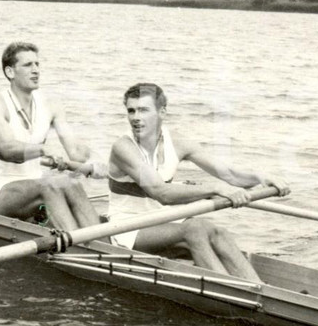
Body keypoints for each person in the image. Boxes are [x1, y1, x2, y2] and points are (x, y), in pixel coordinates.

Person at [107, 83, 290, 281]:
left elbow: (229, 175)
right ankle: (231, 291)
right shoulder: (123, 148)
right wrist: (215, 189)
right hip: (128, 227)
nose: (136, 118)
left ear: (162, 112)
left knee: (217, 232)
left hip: (165, 220)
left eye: (143, 110)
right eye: (131, 111)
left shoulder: (177, 142)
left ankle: (257, 287)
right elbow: (162, 193)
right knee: (195, 228)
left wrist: (260, 177)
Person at [0, 41, 101, 232]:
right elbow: (7, 148)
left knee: (71, 181)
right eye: (28, 65)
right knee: (50, 184)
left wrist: (104, 162)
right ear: (10, 72)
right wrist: (42, 149)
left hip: (36, 184)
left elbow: (76, 152)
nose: (36, 70)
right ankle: (76, 248)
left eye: (37, 64)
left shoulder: (51, 105)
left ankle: (102, 245)